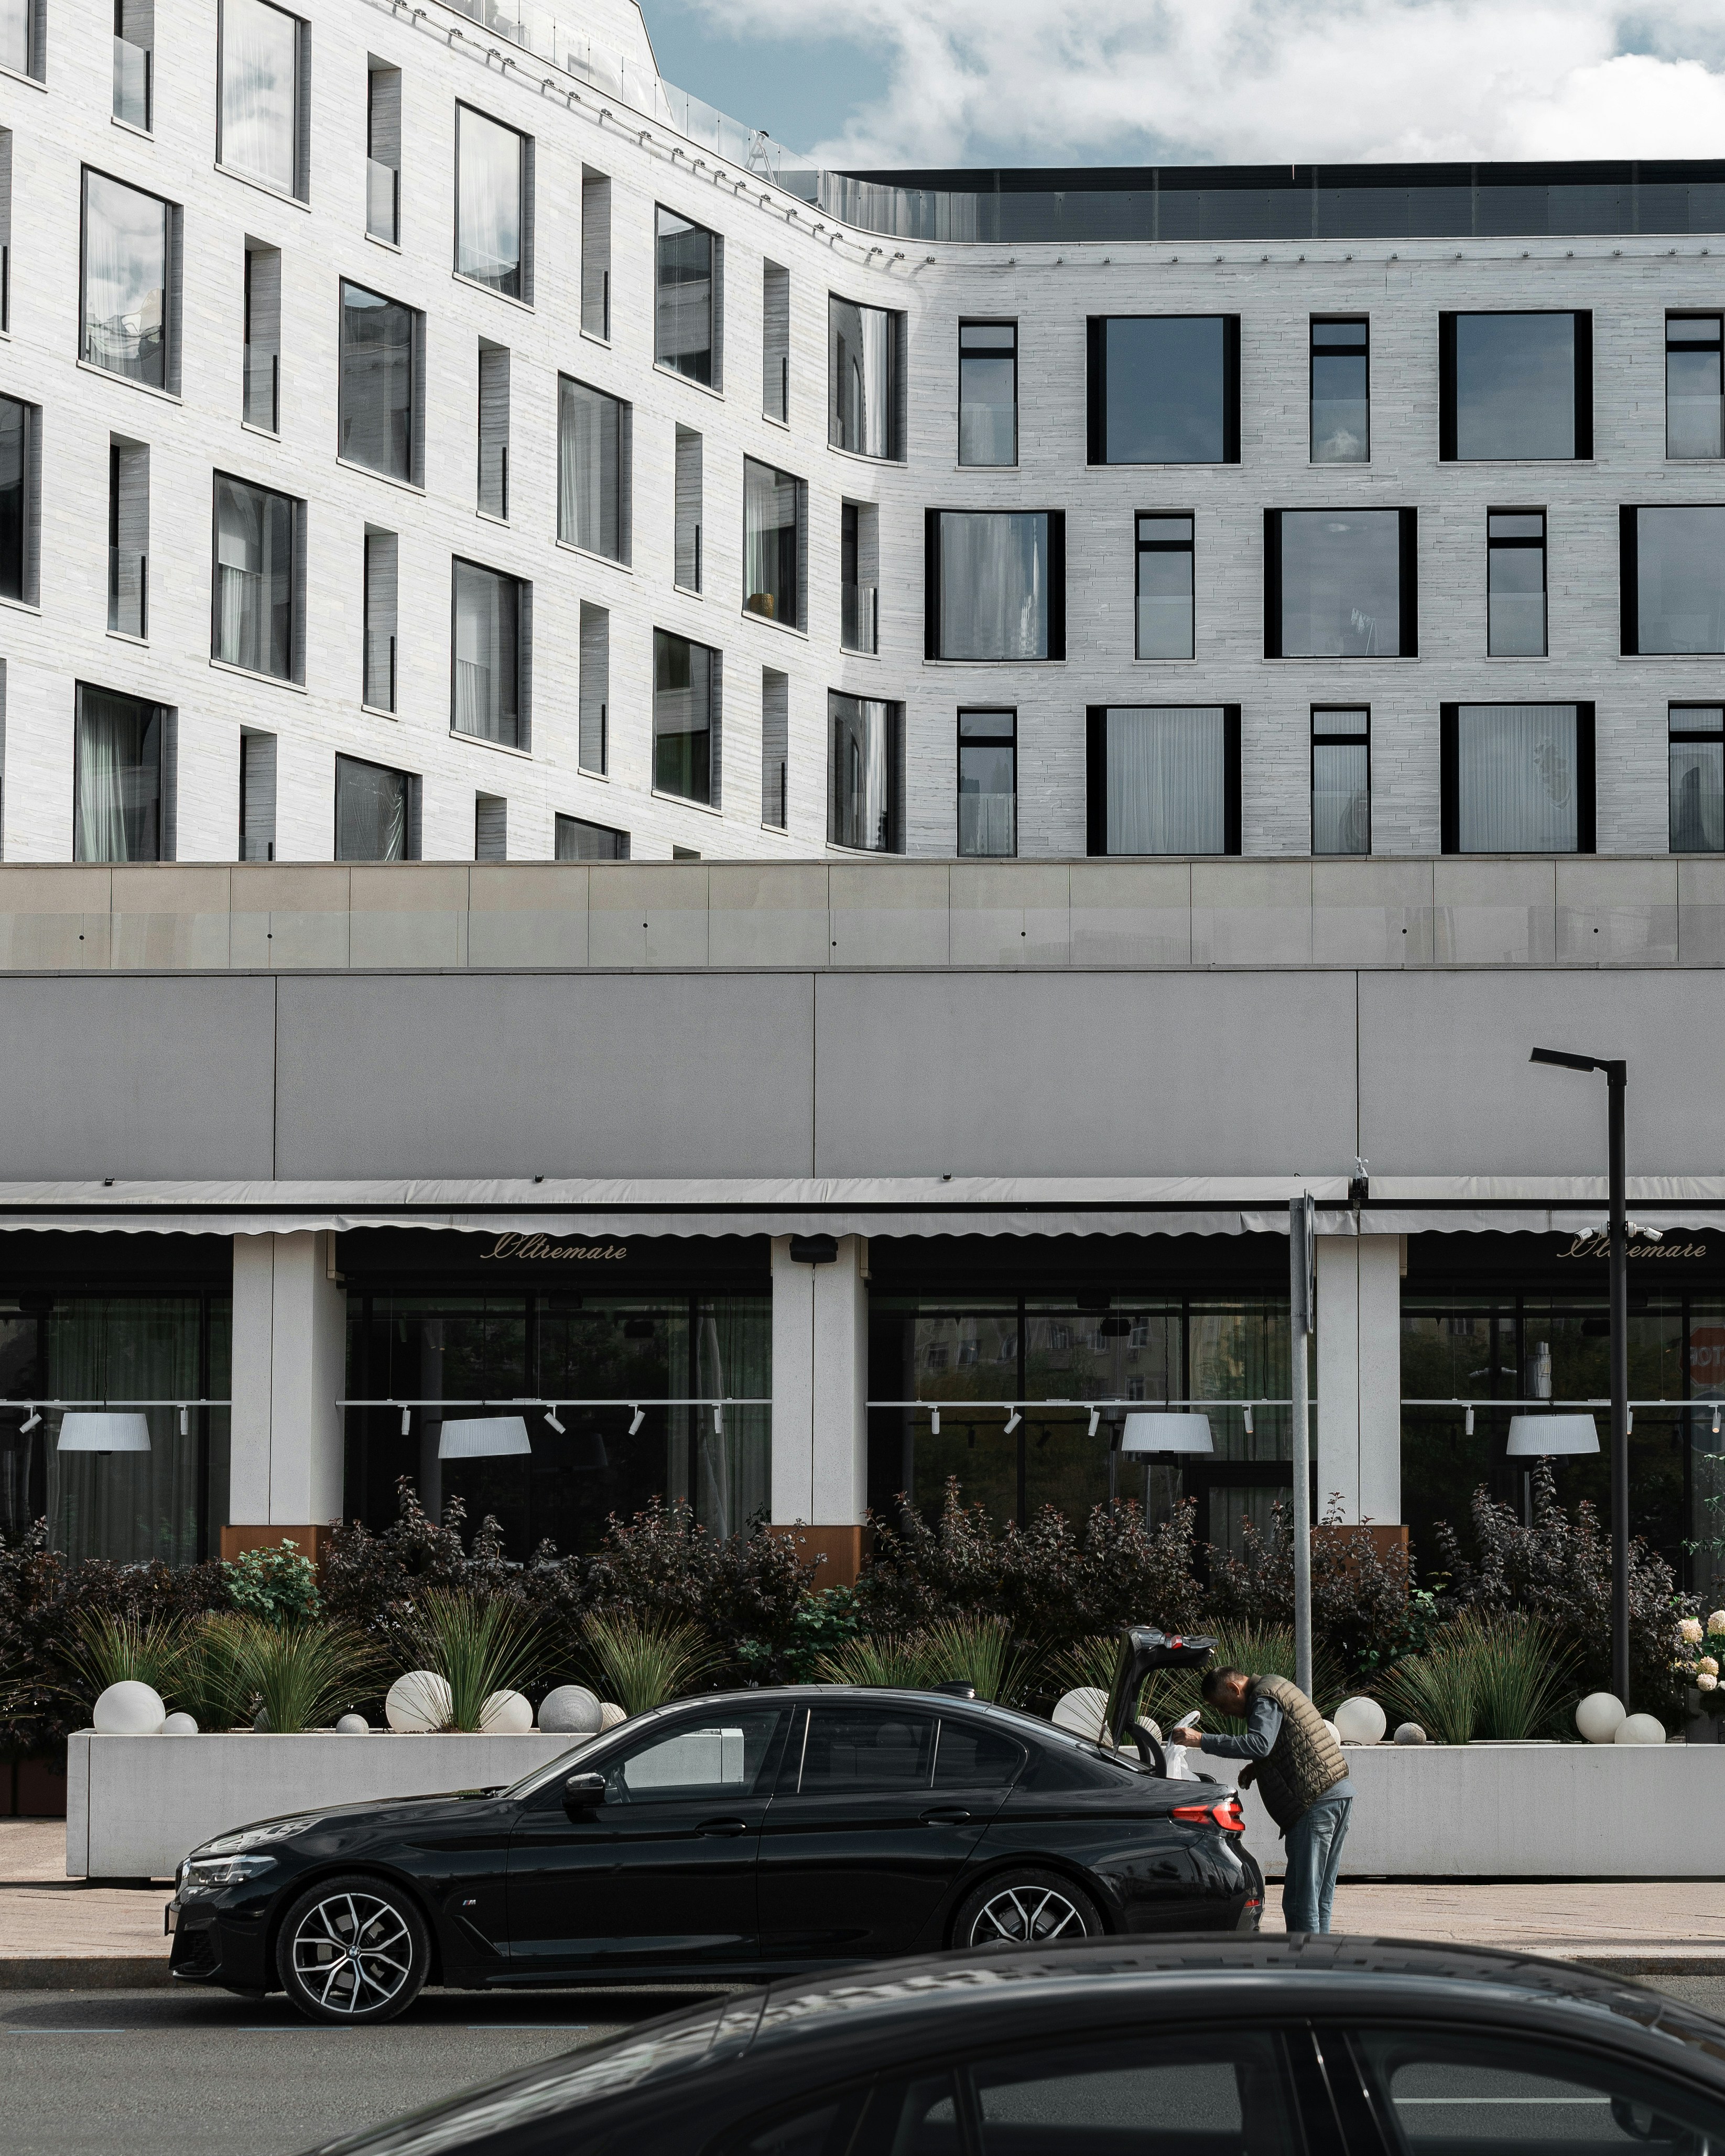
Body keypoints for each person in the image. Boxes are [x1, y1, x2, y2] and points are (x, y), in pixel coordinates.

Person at [1170, 1664, 1353, 1935]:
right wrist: (1258, 1767)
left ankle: (1305, 1967)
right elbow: (1290, 1739)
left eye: (1222, 1706)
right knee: (1318, 1897)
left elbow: (1260, 1743)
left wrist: (1202, 1740)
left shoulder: (1264, 1697)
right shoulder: (1276, 1684)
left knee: (1300, 1902)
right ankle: (1320, 1965)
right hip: (1336, 1794)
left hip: (1313, 1803)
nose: (1224, 1713)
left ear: (1235, 1688)